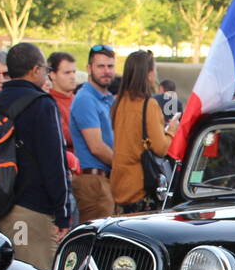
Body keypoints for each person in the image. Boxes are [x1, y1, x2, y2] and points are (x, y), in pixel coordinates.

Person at [0, 43, 71, 269]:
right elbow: (54, 162)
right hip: (30, 208)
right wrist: (62, 214)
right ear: (35, 70)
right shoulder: (41, 104)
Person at [110, 50, 175, 214]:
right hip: (140, 187)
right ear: (148, 74)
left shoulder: (118, 103)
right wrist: (172, 130)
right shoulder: (148, 105)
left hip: (119, 186)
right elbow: (160, 147)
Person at [69, 44, 117, 223]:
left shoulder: (106, 98)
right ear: (89, 68)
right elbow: (96, 147)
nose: (106, 71)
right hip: (93, 182)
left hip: (106, 179)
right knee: (98, 244)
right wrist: (124, 167)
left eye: (110, 66)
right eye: (100, 66)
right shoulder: (85, 99)